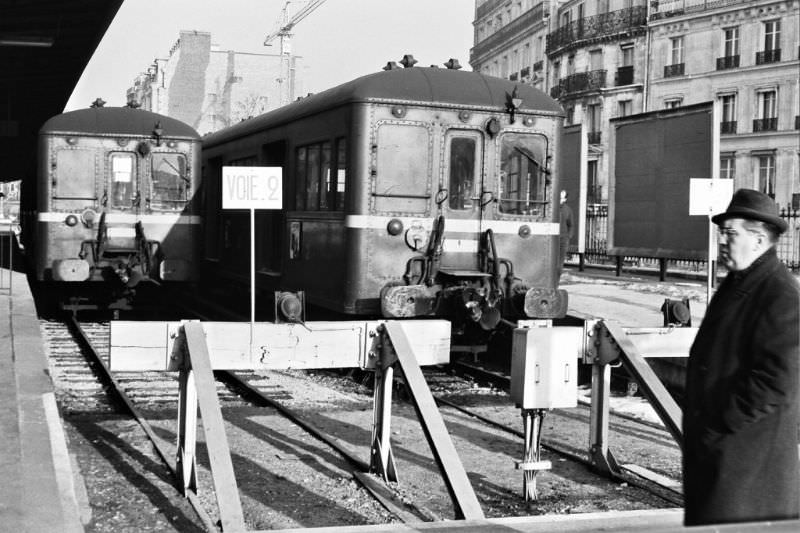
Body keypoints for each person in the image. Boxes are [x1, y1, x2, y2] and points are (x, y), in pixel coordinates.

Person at [683, 188, 799, 526]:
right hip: (727, 455)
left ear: (760, 240)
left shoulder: (780, 293)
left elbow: (779, 381)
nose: (721, 239)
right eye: (722, 231)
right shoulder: (741, 281)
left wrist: (720, 422)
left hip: (747, 463)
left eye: (730, 233)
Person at [558, 190, 574, 278]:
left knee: (560, 262)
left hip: (563, 239)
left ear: (565, 199)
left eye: (562, 198)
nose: (561, 200)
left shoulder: (568, 210)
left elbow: (571, 225)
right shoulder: (552, 209)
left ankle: (557, 278)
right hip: (554, 238)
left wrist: (568, 237)